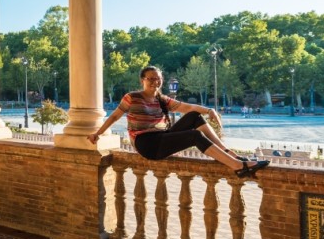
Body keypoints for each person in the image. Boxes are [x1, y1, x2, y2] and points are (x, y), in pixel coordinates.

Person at [88, 66, 269, 177]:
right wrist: (97, 133)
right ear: (142, 80)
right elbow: (114, 116)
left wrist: (209, 110)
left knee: (193, 117)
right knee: (194, 136)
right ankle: (238, 166)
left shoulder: (162, 99)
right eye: (150, 79)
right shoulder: (132, 97)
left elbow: (186, 108)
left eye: (158, 79)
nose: (155, 82)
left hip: (162, 137)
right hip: (147, 143)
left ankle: (229, 153)